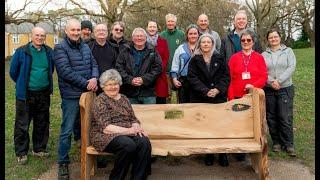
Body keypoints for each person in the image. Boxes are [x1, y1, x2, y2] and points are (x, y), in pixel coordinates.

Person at [53, 18, 99, 180]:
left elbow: (94, 64)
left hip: (88, 94)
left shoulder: (85, 46)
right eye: (72, 30)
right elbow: (65, 71)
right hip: (71, 96)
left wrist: (94, 78)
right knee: (67, 131)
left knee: (89, 126)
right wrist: (86, 83)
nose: (76, 32)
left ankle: (91, 156)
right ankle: (63, 163)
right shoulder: (60, 48)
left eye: (78, 30)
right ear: (66, 31)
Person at [90, 69, 151, 179]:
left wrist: (136, 126)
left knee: (144, 142)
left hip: (125, 133)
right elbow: (106, 127)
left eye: (115, 84)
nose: (113, 87)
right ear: (103, 86)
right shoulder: (100, 101)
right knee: (128, 145)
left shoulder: (124, 98)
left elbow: (133, 118)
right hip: (104, 135)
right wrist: (129, 131)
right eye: (109, 84)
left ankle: (138, 177)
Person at [9, 26, 54, 165]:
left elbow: (50, 70)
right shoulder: (22, 51)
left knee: (42, 122)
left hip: (44, 93)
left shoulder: (49, 51)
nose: (40, 38)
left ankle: (38, 148)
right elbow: (13, 72)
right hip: (26, 94)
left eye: (42, 35)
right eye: (37, 35)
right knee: (22, 124)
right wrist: (23, 83)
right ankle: (21, 152)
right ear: (31, 35)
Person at [187, 33, 230, 167]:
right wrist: (205, 91)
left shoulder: (220, 58)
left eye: (208, 42)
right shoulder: (194, 60)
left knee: (220, 127)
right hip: (201, 97)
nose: (206, 44)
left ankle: (223, 153)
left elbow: (226, 77)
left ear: (212, 44)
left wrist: (217, 89)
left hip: (218, 98)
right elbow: (192, 78)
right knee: (206, 127)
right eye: (203, 42)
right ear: (199, 44)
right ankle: (209, 153)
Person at [262, 28, 296, 156]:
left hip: (285, 88)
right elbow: (262, 71)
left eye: (275, 37)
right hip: (269, 89)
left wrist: (279, 81)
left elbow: (291, 67)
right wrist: (271, 82)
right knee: (271, 117)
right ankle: (276, 142)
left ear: (279, 38)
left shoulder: (288, 51)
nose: (273, 39)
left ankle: (288, 143)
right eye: (271, 37)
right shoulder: (264, 54)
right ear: (268, 40)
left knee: (285, 116)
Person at [115, 27, 162, 104]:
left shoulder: (153, 51)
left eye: (141, 36)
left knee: (150, 115)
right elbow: (119, 67)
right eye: (137, 36)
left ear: (146, 38)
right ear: (132, 38)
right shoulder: (125, 51)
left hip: (148, 93)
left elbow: (158, 68)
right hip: (130, 92)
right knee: (131, 115)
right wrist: (130, 80)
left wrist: (144, 79)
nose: (139, 38)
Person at [228, 29, 267, 99]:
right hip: (237, 97)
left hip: (255, 95)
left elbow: (264, 77)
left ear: (253, 42)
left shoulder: (259, 57)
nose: (246, 42)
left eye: (249, 40)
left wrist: (253, 86)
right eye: (243, 40)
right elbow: (229, 79)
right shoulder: (233, 58)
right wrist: (231, 98)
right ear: (240, 42)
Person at [170, 24, 199, 103]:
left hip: (199, 82)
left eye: (195, 33)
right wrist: (175, 79)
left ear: (198, 35)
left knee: (196, 106)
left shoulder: (202, 48)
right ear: (187, 35)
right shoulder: (180, 48)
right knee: (184, 107)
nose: (193, 36)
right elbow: (175, 65)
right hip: (184, 82)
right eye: (190, 34)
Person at [159, 13, 185, 102]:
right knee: (167, 96)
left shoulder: (181, 34)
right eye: (169, 21)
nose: (170, 23)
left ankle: (181, 115)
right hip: (166, 71)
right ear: (166, 22)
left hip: (179, 71)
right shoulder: (162, 35)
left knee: (180, 96)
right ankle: (167, 115)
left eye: (172, 21)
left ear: (175, 22)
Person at [88, 23, 117, 94]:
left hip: (110, 87)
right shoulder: (87, 48)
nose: (101, 32)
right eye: (98, 30)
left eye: (103, 30)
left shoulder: (115, 48)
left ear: (107, 33)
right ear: (94, 33)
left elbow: (117, 66)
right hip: (93, 87)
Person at [146, 20, 170, 104]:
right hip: (146, 76)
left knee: (161, 104)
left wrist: (157, 70)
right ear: (147, 28)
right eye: (150, 27)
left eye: (154, 27)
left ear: (157, 29)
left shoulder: (163, 42)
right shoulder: (142, 41)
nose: (152, 29)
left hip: (160, 76)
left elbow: (166, 58)